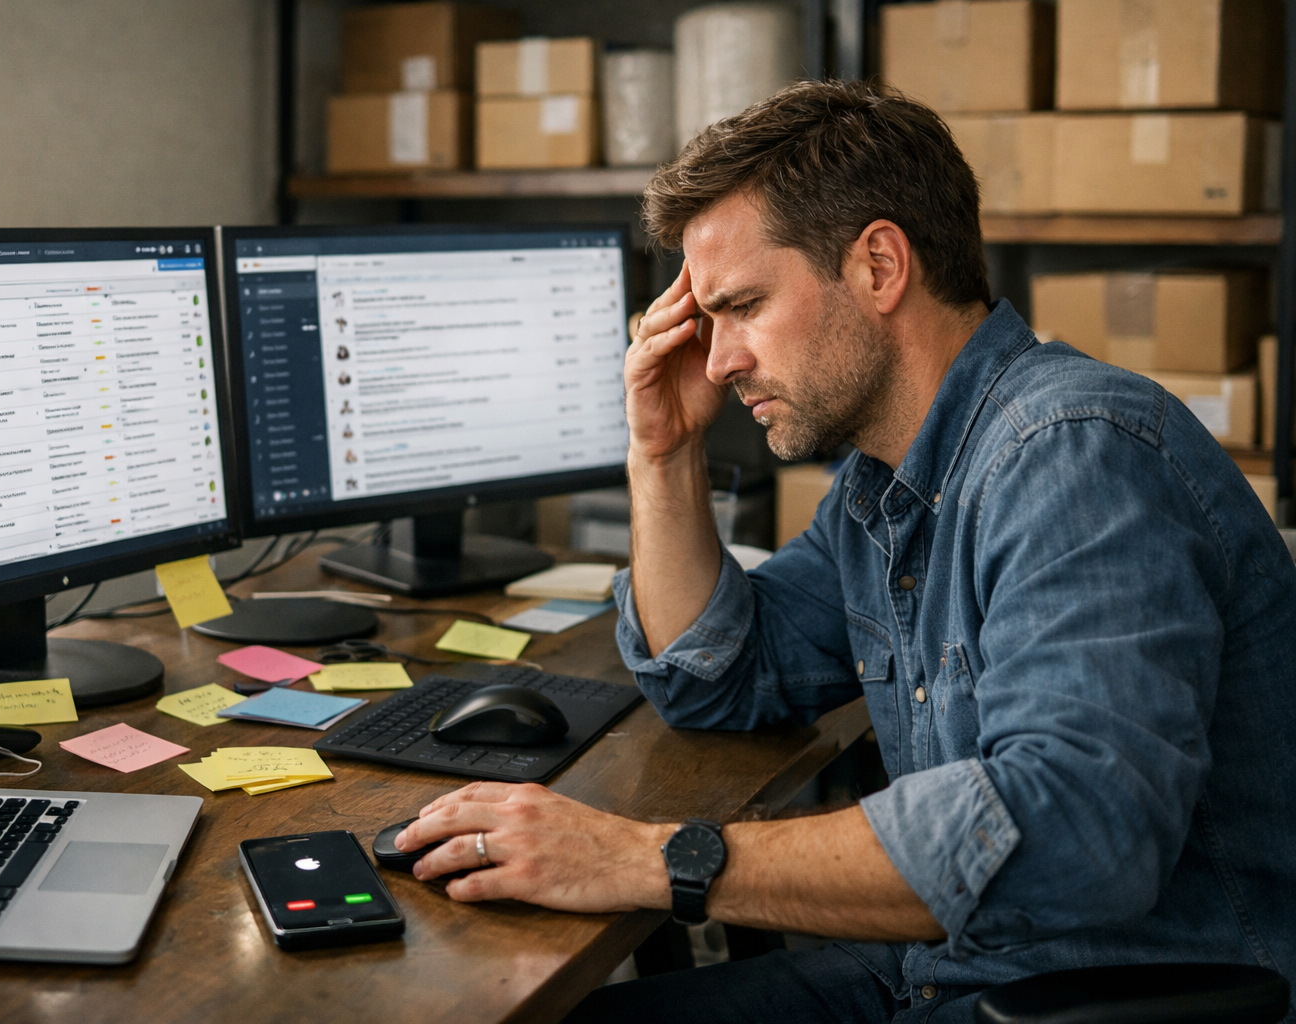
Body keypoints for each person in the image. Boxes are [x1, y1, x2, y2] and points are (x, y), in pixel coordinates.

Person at [391, 80, 1296, 1022]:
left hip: (1086, 997)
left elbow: (1072, 831)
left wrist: (645, 859)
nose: (718, 359)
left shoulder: (1075, 453)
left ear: (877, 267)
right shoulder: (888, 483)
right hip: (947, 970)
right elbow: (719, 675)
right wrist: (664, 453)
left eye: (742, 305)